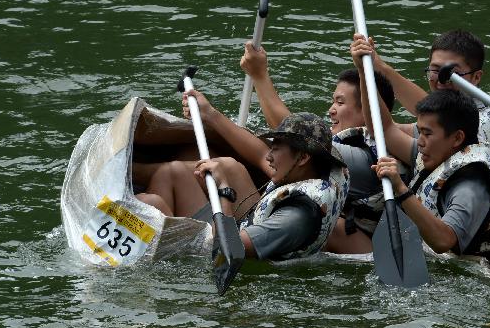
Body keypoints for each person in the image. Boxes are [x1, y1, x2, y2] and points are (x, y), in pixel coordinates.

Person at [137, 100, 349, 261]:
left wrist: (224, 190)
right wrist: (209, 113)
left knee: (151, 204)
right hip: (245, 226)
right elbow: (259, 154)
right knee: (173, 171)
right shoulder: (311, 170)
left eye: (276, 149)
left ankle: (148, 251)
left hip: (222, 247)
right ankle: (154, 232)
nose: (269, 155)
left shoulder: (295, 218)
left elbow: (227, 250)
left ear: (303, 157)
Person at [239, 41, 398, 254]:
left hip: (351, 245)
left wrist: (260, 76)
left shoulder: (365, 158)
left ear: (369, 110)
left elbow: (295, 136)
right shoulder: (341, 144)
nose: (331, 110)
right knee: (227, 167)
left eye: (340, 103)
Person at [352, 36, 490, 257]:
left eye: (427, 133)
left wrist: (401, 189)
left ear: (456, 138)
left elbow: (444, 241)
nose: (420, 140)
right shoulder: (438, 150)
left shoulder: (471, 182)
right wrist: (364, 71)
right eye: (420, 132)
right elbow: (384, 129)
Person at [350, 29, 490, 184]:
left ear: (476, 77)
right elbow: (421, 114)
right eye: (435, 70)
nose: (441, 79)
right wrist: (374, 65)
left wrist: (365, 72)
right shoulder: (489, 111)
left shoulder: (460, 136)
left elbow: (384, 130)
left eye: (451, 73)